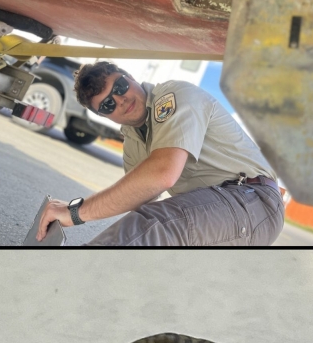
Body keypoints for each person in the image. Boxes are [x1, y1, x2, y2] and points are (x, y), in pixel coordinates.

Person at [36, 61, 285, 246]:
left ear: (131, 77)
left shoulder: (173, 95)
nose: (120, 100)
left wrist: (75, 212)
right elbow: (139, 198)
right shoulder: (133, 142)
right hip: (216, 209)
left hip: (252, 200)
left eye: (120, 86)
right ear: (104, 116)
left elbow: (162, 175)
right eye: (108, 104)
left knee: (151, 226)